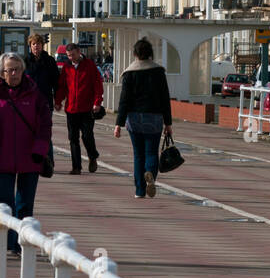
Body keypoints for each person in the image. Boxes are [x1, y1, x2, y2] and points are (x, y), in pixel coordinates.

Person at [0, 52, 51, 254]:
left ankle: (21, 244)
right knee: (4, 203)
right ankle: (1, 241)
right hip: (4, 156)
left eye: (17, 69)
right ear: (1, 73)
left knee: (24, 204)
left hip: (30, 157)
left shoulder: (35, 95)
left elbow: (45, 126)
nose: (13, 73)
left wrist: (40, 151)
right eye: (8, 70)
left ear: (23, 71)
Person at [113, 38, 173, 198]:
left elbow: (124, 100)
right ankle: (150, 174)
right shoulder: (159, 72)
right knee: (151, 152)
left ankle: (139, 190)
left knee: (138, 155)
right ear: (150, 54)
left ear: (135, 54)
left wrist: (118, 124)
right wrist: (168, 123)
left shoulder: (129, 73)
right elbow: (165, 98)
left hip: (134, 119)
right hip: (154, 118)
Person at [53, 41, 103, 174]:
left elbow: (98, 85)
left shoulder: (90, 66)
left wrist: (97, 102)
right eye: (68, 55)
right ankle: (76, 167)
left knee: (87, 136)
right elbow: (62, 87)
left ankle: (92, 156)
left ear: (79, 52)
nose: (71, 58)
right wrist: (58, 101)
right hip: (71, 109)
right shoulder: (66, 68)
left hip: (87, 108)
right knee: (73, 138)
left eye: (73, 55)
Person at [23, 35, 60, 107]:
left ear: (42, 45)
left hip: (45, 101)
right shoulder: (25, 61)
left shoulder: (50, 60)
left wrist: (57, 100)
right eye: (33, 44)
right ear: (30, 46)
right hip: (29, 101)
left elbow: (56, 82)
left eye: (38, 43)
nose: (36, 46)